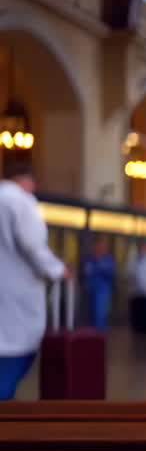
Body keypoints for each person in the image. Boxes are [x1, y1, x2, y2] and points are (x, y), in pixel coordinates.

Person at [0, 159, 68, 400]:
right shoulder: (20, 201)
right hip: (17, 301)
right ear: (26, 180)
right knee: (13, 360)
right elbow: (32, 245)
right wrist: (58, 269)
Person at [82, 236, 116, 330]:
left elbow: (111, 274)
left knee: (100, 314)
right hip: (90, 290)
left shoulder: (108, 259)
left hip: (103, 292)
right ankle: (92, 335)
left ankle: (100, 335)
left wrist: (99, 268)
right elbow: (86, 272)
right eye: (96, 246)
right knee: (91, 314)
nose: (98, 248)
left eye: (101, 246)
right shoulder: (90, 259)